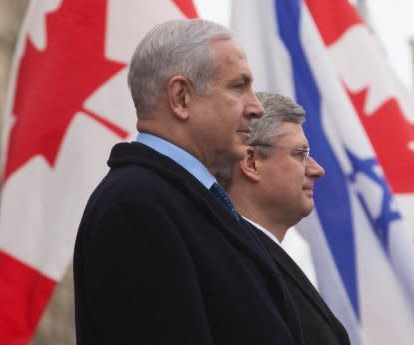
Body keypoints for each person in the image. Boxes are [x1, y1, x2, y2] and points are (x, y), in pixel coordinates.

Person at [73, 20, 304, 345]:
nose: (257, 107)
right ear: (181, 97)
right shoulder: (135, 209)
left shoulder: (191, 201)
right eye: (239, 87)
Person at [218, 92, 351, 345]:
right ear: (251, 162)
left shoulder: (250, 258)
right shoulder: (233, 265)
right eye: (300, 154)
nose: (316, 170)